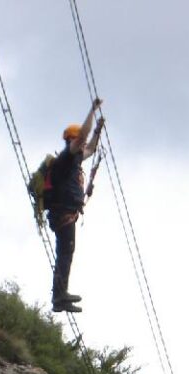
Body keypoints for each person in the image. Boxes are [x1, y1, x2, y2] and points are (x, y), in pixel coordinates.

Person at [47, 98, 104, 313]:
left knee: (67, 253)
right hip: (64, 215)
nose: (81, 145)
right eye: (77, 141)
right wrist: (92, 111)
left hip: (66, 214)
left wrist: (97, 130)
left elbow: (89, 146)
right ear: (72, 141)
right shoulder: (65, 159)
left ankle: (60, 295)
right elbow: (83, 137)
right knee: (65, 253)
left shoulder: (75, 160)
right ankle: (59, 296)